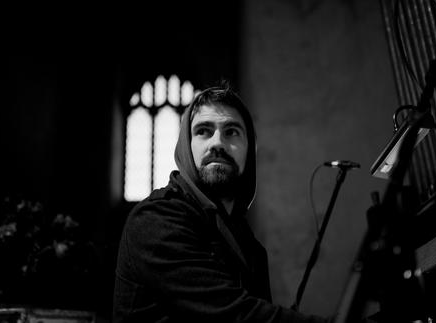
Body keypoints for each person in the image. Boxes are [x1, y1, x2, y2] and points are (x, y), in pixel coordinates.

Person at [113, 83, 332, 323]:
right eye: (203, 131)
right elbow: (236, 316)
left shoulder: (249, 245)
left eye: (231, 132)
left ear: (250, 151)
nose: (217, 143)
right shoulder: (155, 219)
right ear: (186, 147)